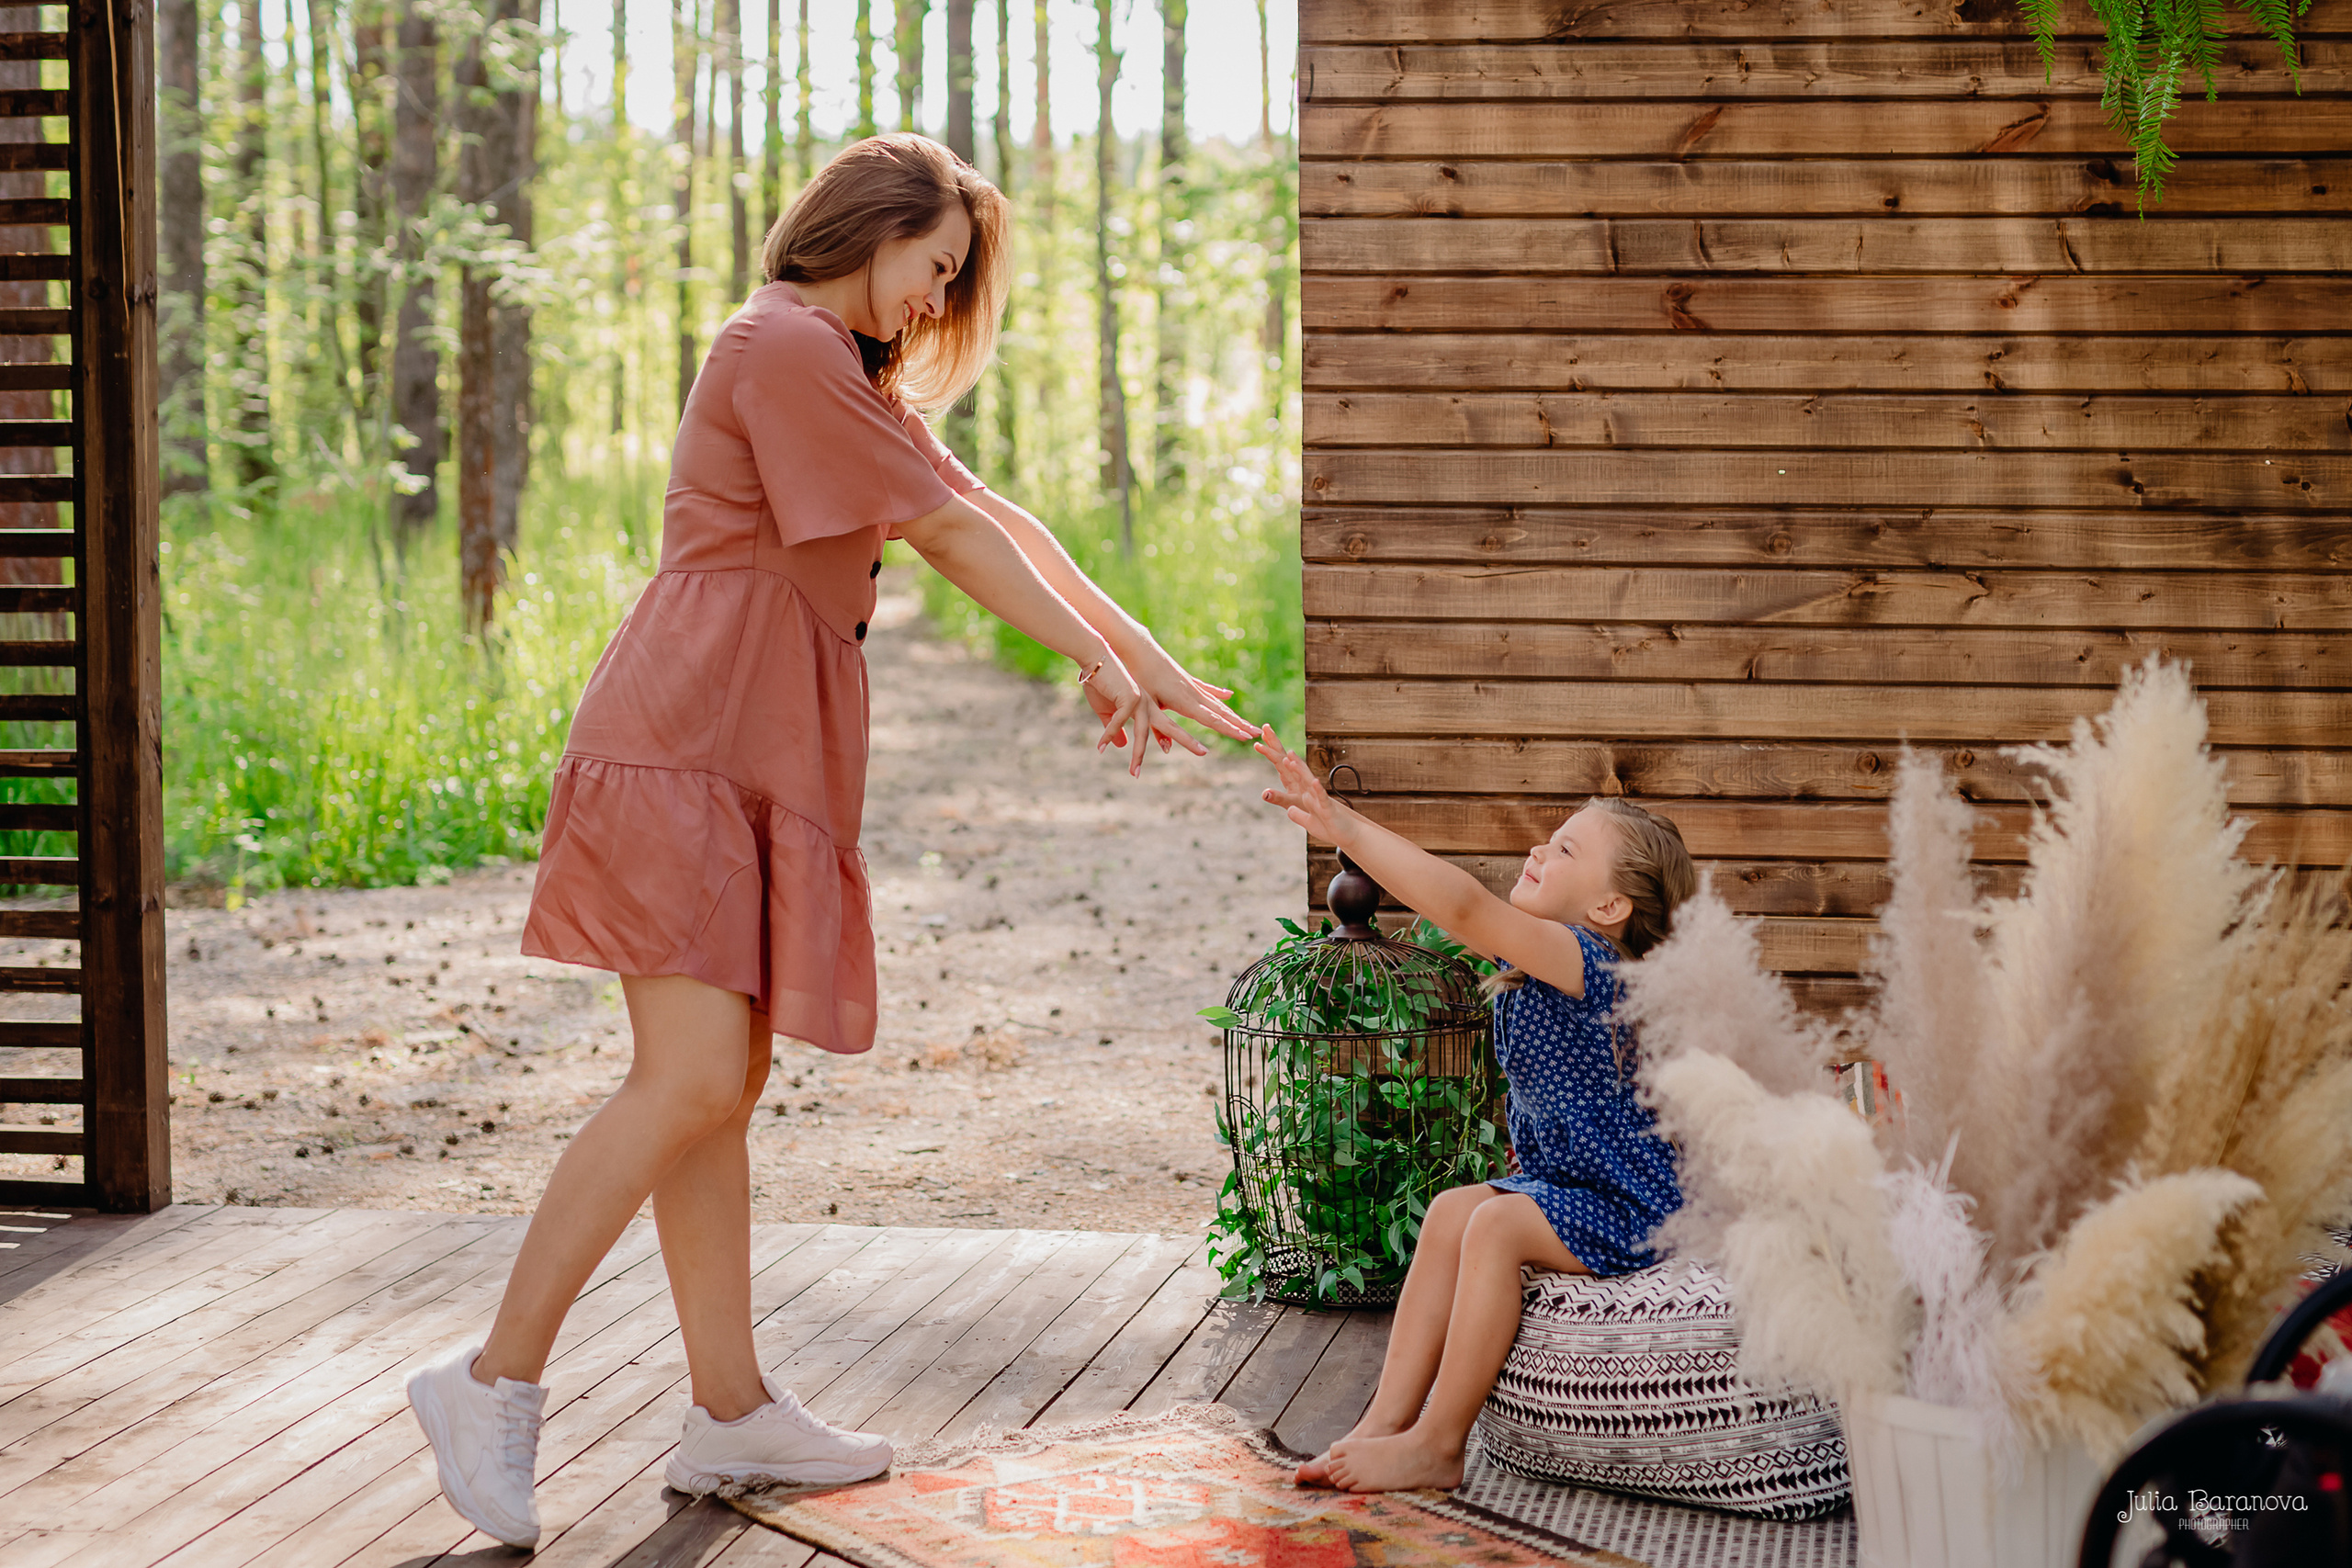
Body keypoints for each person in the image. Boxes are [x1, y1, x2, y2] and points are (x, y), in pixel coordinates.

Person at [403, 133, 1254, 1550]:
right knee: (681, 1079)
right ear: (867, 229)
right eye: (933, 267)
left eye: (951, 283)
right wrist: (1109, 666)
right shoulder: (781, 342)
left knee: (717, 1084)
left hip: (748, 747)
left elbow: (993, 512)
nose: (933, 303)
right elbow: (954, 542)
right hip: (686, 746)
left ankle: (730, 1406)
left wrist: (1144, 655)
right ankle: (489, 1376)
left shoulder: (834, 363)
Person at [1252, 730, 1694, 1494]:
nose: (1538, 849)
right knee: (1454, 1209)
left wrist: (1344, 826)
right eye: (1550, 838)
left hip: (1632, 1207)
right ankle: (1380, 1424)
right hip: (1572, 1188)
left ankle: (1439, 1441)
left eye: (1565, 850)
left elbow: (1459, 902)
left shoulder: (1592, 960)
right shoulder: (1531, 963)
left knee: (1494, 1222)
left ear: (1609, 905)